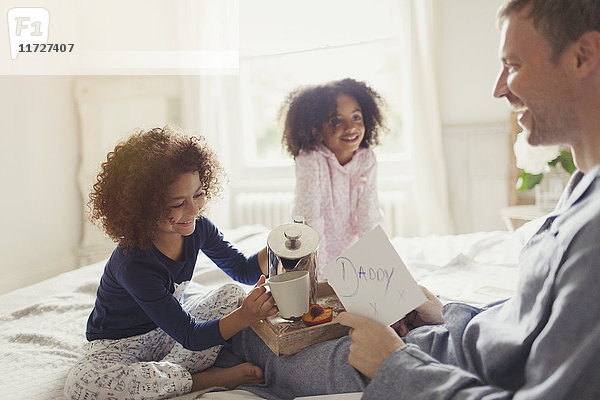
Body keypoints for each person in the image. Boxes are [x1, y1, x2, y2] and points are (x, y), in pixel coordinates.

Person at [225, 1, 600, 399]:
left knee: (252, 334)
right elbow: (528, 322)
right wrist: (446, 312)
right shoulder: (582, 188)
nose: (498, 88)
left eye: (513, 64)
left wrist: (395, 366)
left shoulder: (592, 236)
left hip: (422, 367)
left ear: (582, 57)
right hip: (451, 346)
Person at [64, 127, 278, 400]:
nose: (192, 211)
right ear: (141, 207)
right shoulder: (133, 263)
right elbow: (191, 336)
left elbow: (242, 270)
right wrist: (245, 317)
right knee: (81, 385)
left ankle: (166, 378)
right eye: (177, 203)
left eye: (197, 195)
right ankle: (198, 380)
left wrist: (278, 249)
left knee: (231, 294)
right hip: (120, 345)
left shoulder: (198, 228)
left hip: (168, 333)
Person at [280, 78, 387, 280]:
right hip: (315, 256)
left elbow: (369, 218)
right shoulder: (310, 160)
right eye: (337, 121)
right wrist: (319, 276)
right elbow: (310, 222)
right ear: (316, 130)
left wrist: (380, 266)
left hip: (353, 255)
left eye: (356, 117)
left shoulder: (366, 159)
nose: (351, 127)